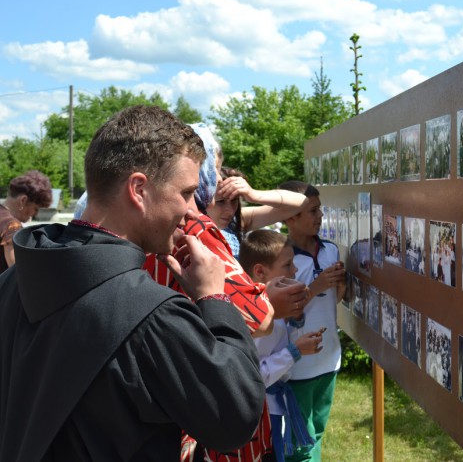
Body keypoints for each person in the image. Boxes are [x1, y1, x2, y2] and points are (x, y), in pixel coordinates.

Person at [0, 105, 265, 460]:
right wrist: (215, 300)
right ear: (139, 189)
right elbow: (235, 416)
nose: (192, 210)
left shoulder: (12, 281)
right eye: (186, 192)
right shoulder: (150, 316)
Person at [143, 122, 309, 462]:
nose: (219, 181)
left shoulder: (147, 222)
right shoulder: (194, 229)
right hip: (211, 403)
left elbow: (300, 202)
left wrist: (254, 194)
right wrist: (267, 298)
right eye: (215, 169)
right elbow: (258, 317)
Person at [239, 230, 324, 462]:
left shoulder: (266, 309)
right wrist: (295, 352)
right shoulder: (255, 320)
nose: (295, 271)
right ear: (260, 272)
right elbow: (255, 375)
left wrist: (294, 322)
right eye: (288, 265)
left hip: (272, 409)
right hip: (263, 414)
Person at [278, 180, 346, 462]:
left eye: (320, 210)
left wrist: (341, 285)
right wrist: (315, 287)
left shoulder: (330, 249)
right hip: (297, 368)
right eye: (313, 211)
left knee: (316, 435)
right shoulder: (281, 258)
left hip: (329, 360)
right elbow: (278, 312)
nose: (320, 217)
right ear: (290, 217)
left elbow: (336, 301)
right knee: (300, 447)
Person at [197, 129, 308, 258]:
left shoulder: (238, 221)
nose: (229, 211)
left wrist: (254, 195)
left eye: (234, 200)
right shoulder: (191, 223)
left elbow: (302, 202)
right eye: (220, 202)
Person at [0, 170, 52, 273]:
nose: (35, 214)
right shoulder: (12, 226)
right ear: (23, 200)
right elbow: (16, 271)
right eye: (36, 208)